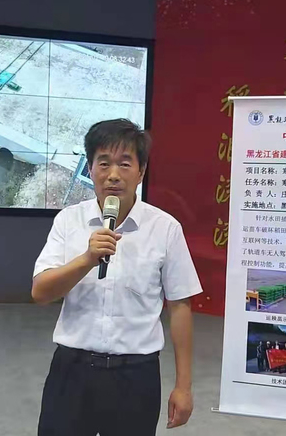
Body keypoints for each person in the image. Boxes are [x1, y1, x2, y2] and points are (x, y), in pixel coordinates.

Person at [31, 119, 203, 436]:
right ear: (90, 168)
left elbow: (180, 306)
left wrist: (183, 387)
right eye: (104, 163)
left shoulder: (164, 228)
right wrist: (87, 259)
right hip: (72, 372)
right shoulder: (69, 220)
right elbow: (41, 292)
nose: (113, 175)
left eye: (124, 164)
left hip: (135, 377)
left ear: (141, 171)